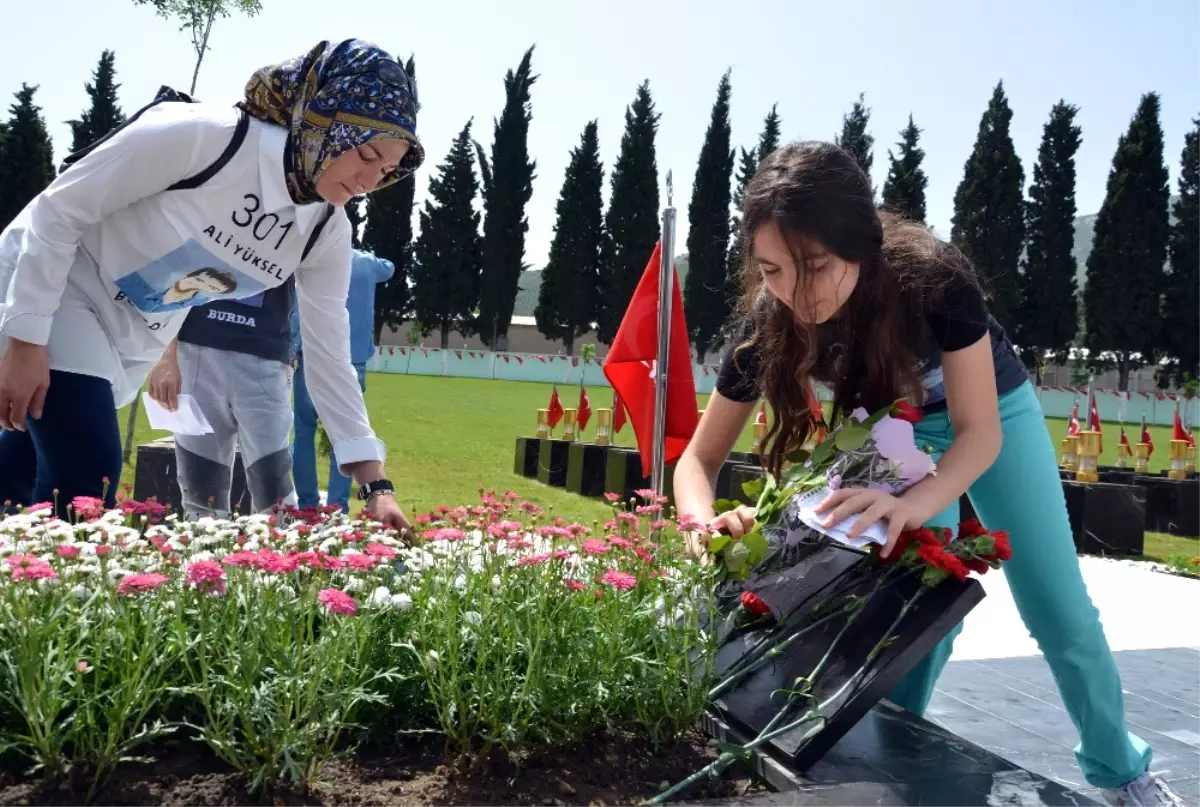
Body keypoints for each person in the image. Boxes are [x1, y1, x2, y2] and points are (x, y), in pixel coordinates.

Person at [674, 141, 1187, 807]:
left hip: (988, 412)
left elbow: (980, 433)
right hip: (894, 427)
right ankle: (887, 751)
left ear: (859, 243)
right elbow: (697, 460)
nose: (794, 292)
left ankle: (1125, 773)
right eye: (772, 269)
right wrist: (700, 522)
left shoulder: (935, 280)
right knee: (910, 603)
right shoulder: (771, 320)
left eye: (815, 266)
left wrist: (919, 503)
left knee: (1056, 604)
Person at [0, 39, 423, 532]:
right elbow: (59, 207)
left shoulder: (325, 229)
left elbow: (327, 354)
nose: (372, 179)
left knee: (25, 471)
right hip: (55, 287)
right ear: (323, 122)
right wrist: (27, 337)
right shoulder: (203, 136)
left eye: (388, 170)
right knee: (86, 478)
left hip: (129, 333)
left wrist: (376, 485)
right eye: (367, 153)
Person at [147, 281, 297, 519]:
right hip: (194, 352)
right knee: (200, 494)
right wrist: (166, 355)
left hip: (264, 356)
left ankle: (283, 554)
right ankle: (203, 554)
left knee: (274, 490)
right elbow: (175, 272)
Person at [291, 248, 393, 511]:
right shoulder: (368, 263)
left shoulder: (311, 257)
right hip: (354, 360)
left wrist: (292, 347)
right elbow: (389, 268)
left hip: (312, 356)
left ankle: (308, 505)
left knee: (303, 431)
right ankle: (338, 507)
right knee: (348, 435)